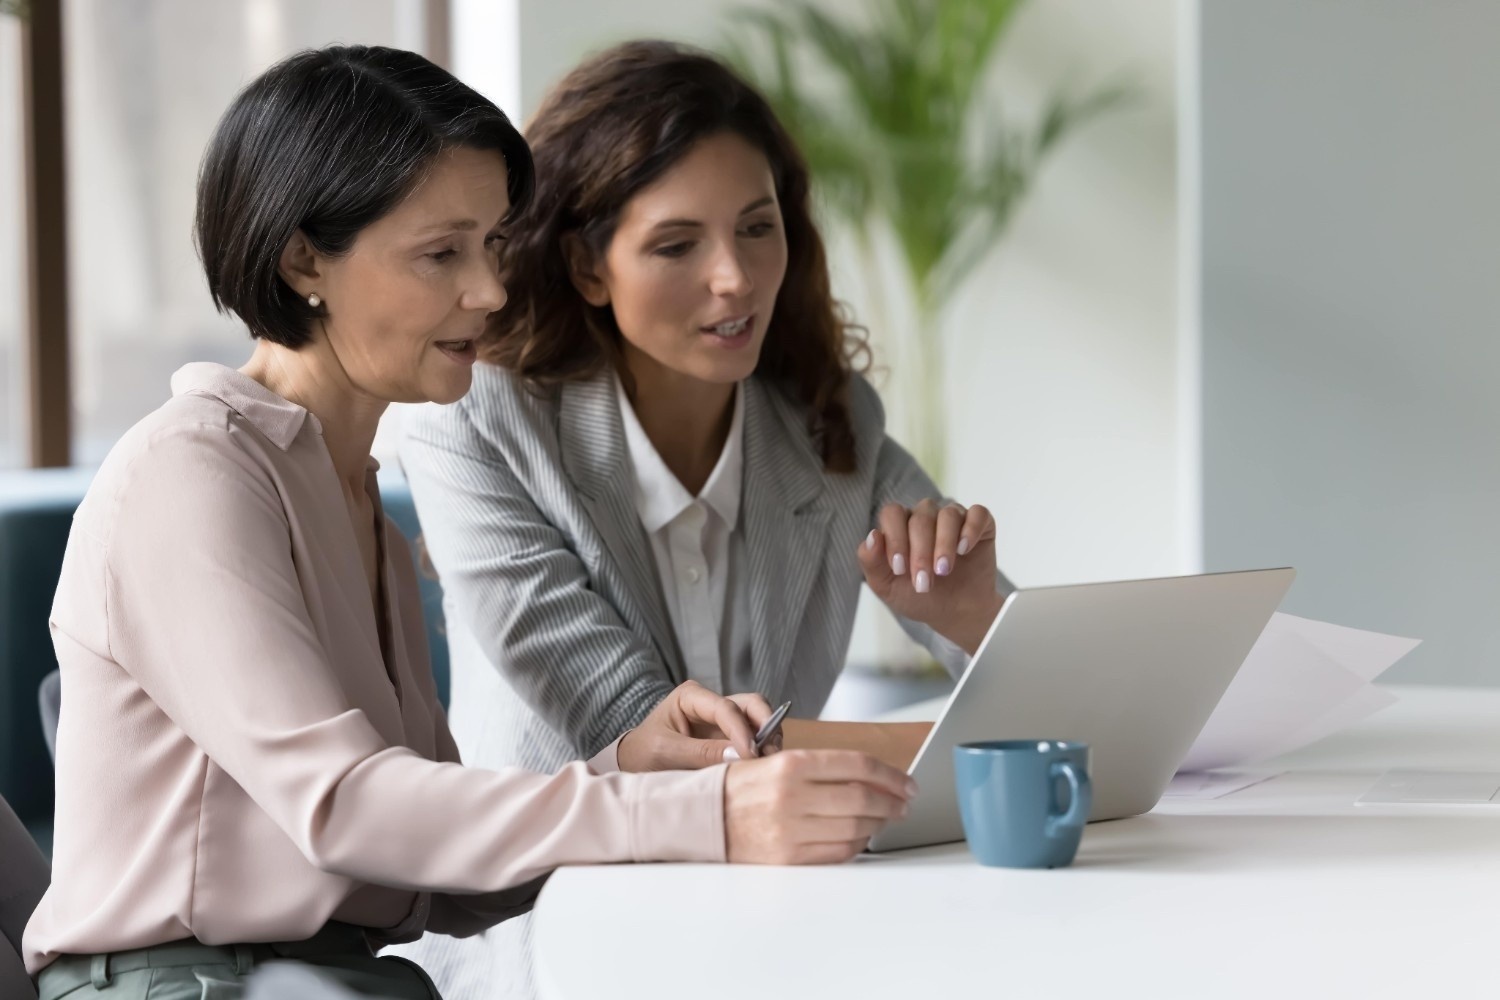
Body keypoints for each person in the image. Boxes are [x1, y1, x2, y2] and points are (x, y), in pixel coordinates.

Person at [22, 45, 914, 1000]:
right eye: (442, 253)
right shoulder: (191, 473)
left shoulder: (356, 499)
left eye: (492, 244)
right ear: (302, 261)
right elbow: (345, 807)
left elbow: (430, 872)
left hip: (339, 980)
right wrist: (709, 812)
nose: (489, 290)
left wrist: (635, 766)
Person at [394, 40, 1013, 998]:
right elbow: (643, 736)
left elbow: (1044, 698)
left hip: (775, 936)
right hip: (548, 937)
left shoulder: (827, 421)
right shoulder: (475, 422)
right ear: (588, 267)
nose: (735, 278)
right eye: (677, 245)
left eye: (758, 229)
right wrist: (931, 758)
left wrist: (973, 612)